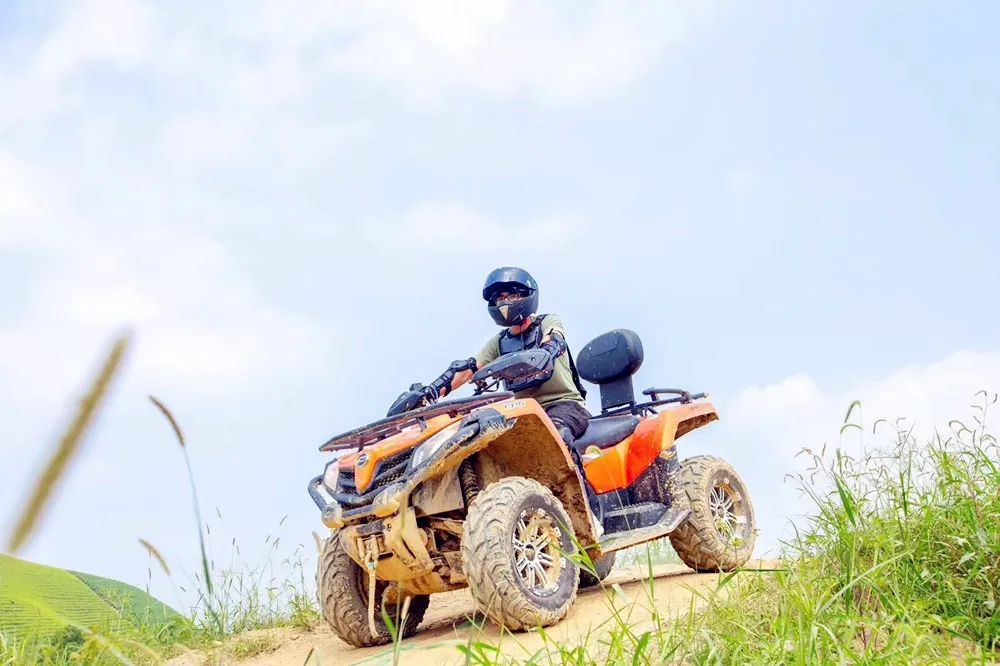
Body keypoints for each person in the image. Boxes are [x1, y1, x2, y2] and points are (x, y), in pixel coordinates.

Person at [388, 267, 591, 450]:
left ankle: (575, 486)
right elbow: (469, 369)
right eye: (500, 298)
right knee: (489, 445)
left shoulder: (547, 322)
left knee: (554, 436)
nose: (505, 302)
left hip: (564, 405)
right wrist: (429, 394)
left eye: (512, 295)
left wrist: (548, 350)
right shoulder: (499, 342)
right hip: (524, 413)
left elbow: (555, 339)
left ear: (528, 296)